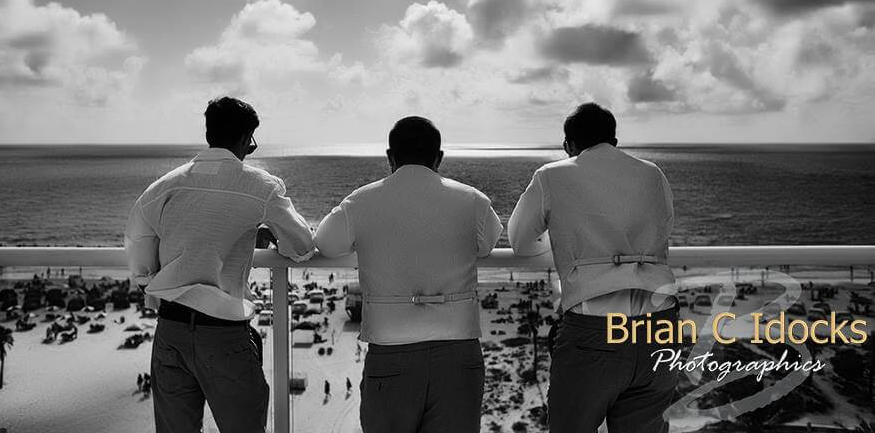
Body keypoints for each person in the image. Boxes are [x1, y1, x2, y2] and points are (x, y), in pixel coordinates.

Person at [125, 97, 315, 433]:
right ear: (245, 139)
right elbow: (302, 246)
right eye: (250, 144)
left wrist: (149, 279)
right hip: (222, 334)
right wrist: (264, 233)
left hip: (170, 330)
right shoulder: (261, 186)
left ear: (209, 134)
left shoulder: (165, 185)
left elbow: (138, 243)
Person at [315, 116, 502, 433]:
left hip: (391, 353)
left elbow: (326, 243)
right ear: (439, 157)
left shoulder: (361, 201)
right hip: (459, 351)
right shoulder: (472, 199)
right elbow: (488, 244)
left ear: (389, 156)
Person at [508, 102, 679, 433]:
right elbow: (665, 228)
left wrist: (565, 248)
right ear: (614, 140)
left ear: (568, 145)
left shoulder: (551, 176)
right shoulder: (652, 173)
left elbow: (521, 242)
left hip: (594, 330)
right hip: (660, 325)